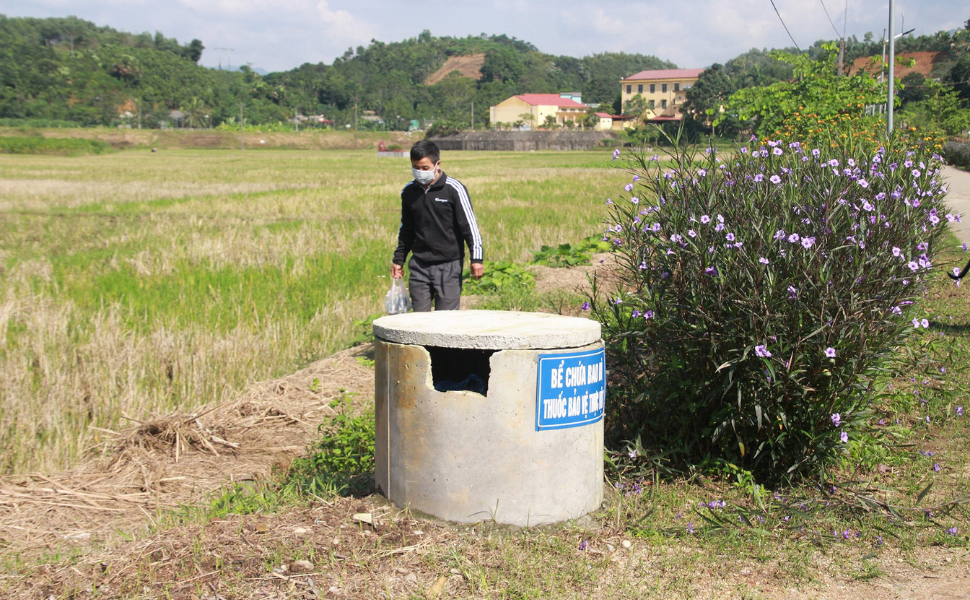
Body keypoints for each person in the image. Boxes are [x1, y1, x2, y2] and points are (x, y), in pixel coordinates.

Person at [391, 140, 484, 311]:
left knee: (446, 321)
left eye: (425, 168)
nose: (420, 172)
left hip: (448, 265)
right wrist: (399, 260)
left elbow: (469, 226)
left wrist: (476, 259)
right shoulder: (409, 192)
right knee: (420, 319)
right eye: (416, 167)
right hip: (419, 265)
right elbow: (407, 229)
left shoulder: (453, 189)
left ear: (437, 164)